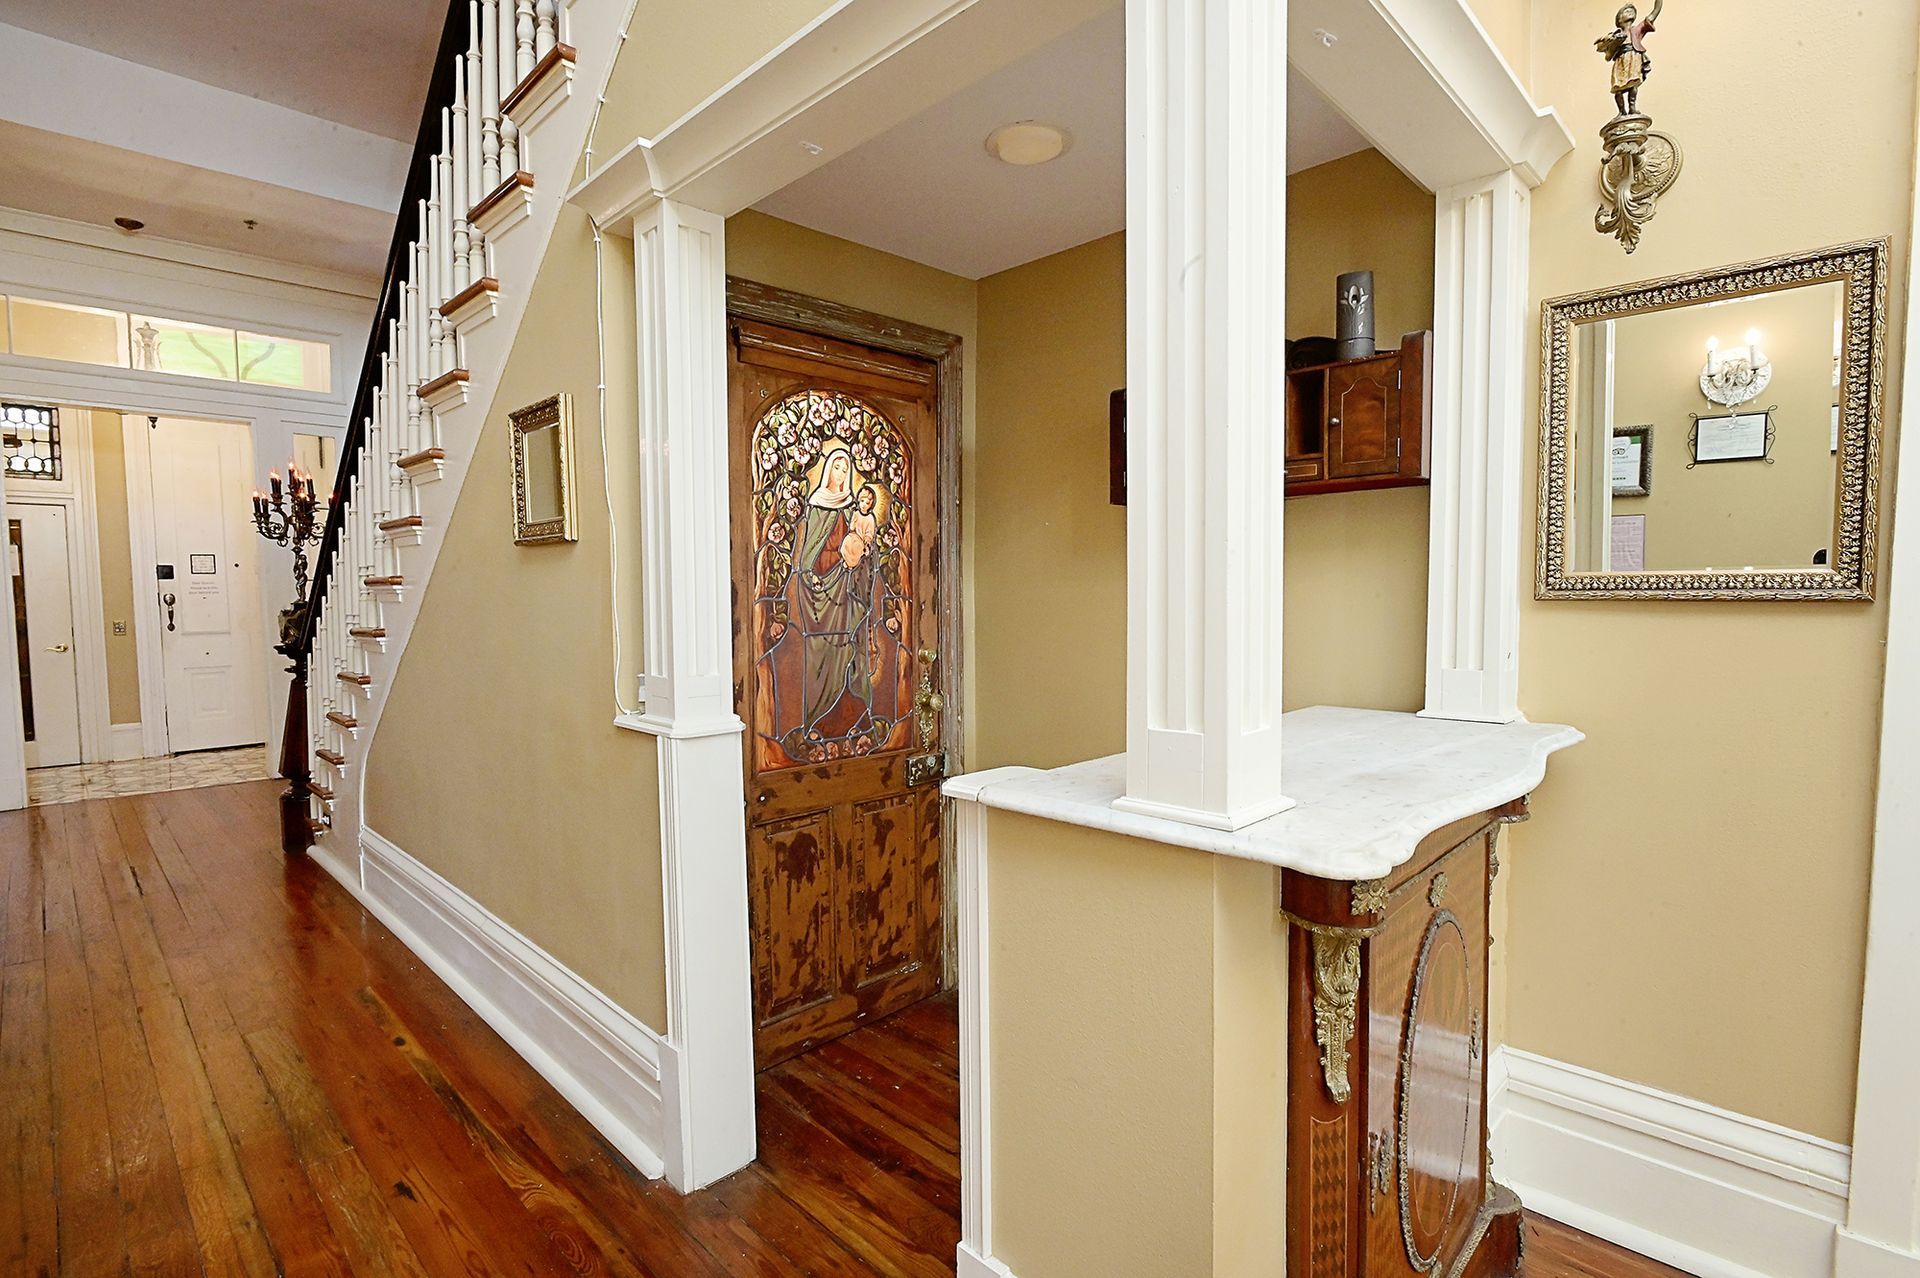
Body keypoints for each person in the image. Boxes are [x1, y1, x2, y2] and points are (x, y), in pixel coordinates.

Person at [1595, 1, 1662, 116]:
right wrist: (1612, 42)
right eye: (1626, 11)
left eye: (1632, 11)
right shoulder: (1615, 34)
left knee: (1633, 83)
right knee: (1618, 87)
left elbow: (1654, 13)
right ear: (1619, 19)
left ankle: (1632, 107)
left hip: (1633, 57)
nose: (1630, 12)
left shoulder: (1637, 29)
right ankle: (1621, 111)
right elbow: (1604, 50)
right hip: (1620, 60)